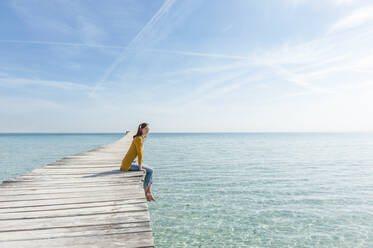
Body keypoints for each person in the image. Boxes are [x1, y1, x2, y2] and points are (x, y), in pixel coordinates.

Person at [120, 122, 155, 202]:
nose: (147, 131)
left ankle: (149, 192)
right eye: (145, 129)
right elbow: (140, 154)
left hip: (130, 162)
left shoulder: (139, 138)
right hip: (127, 165)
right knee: (151, 171)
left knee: (151, 169)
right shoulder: (139, 139)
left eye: (148, 129)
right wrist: (140, 167)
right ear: (141, 129)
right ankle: (145, 192)